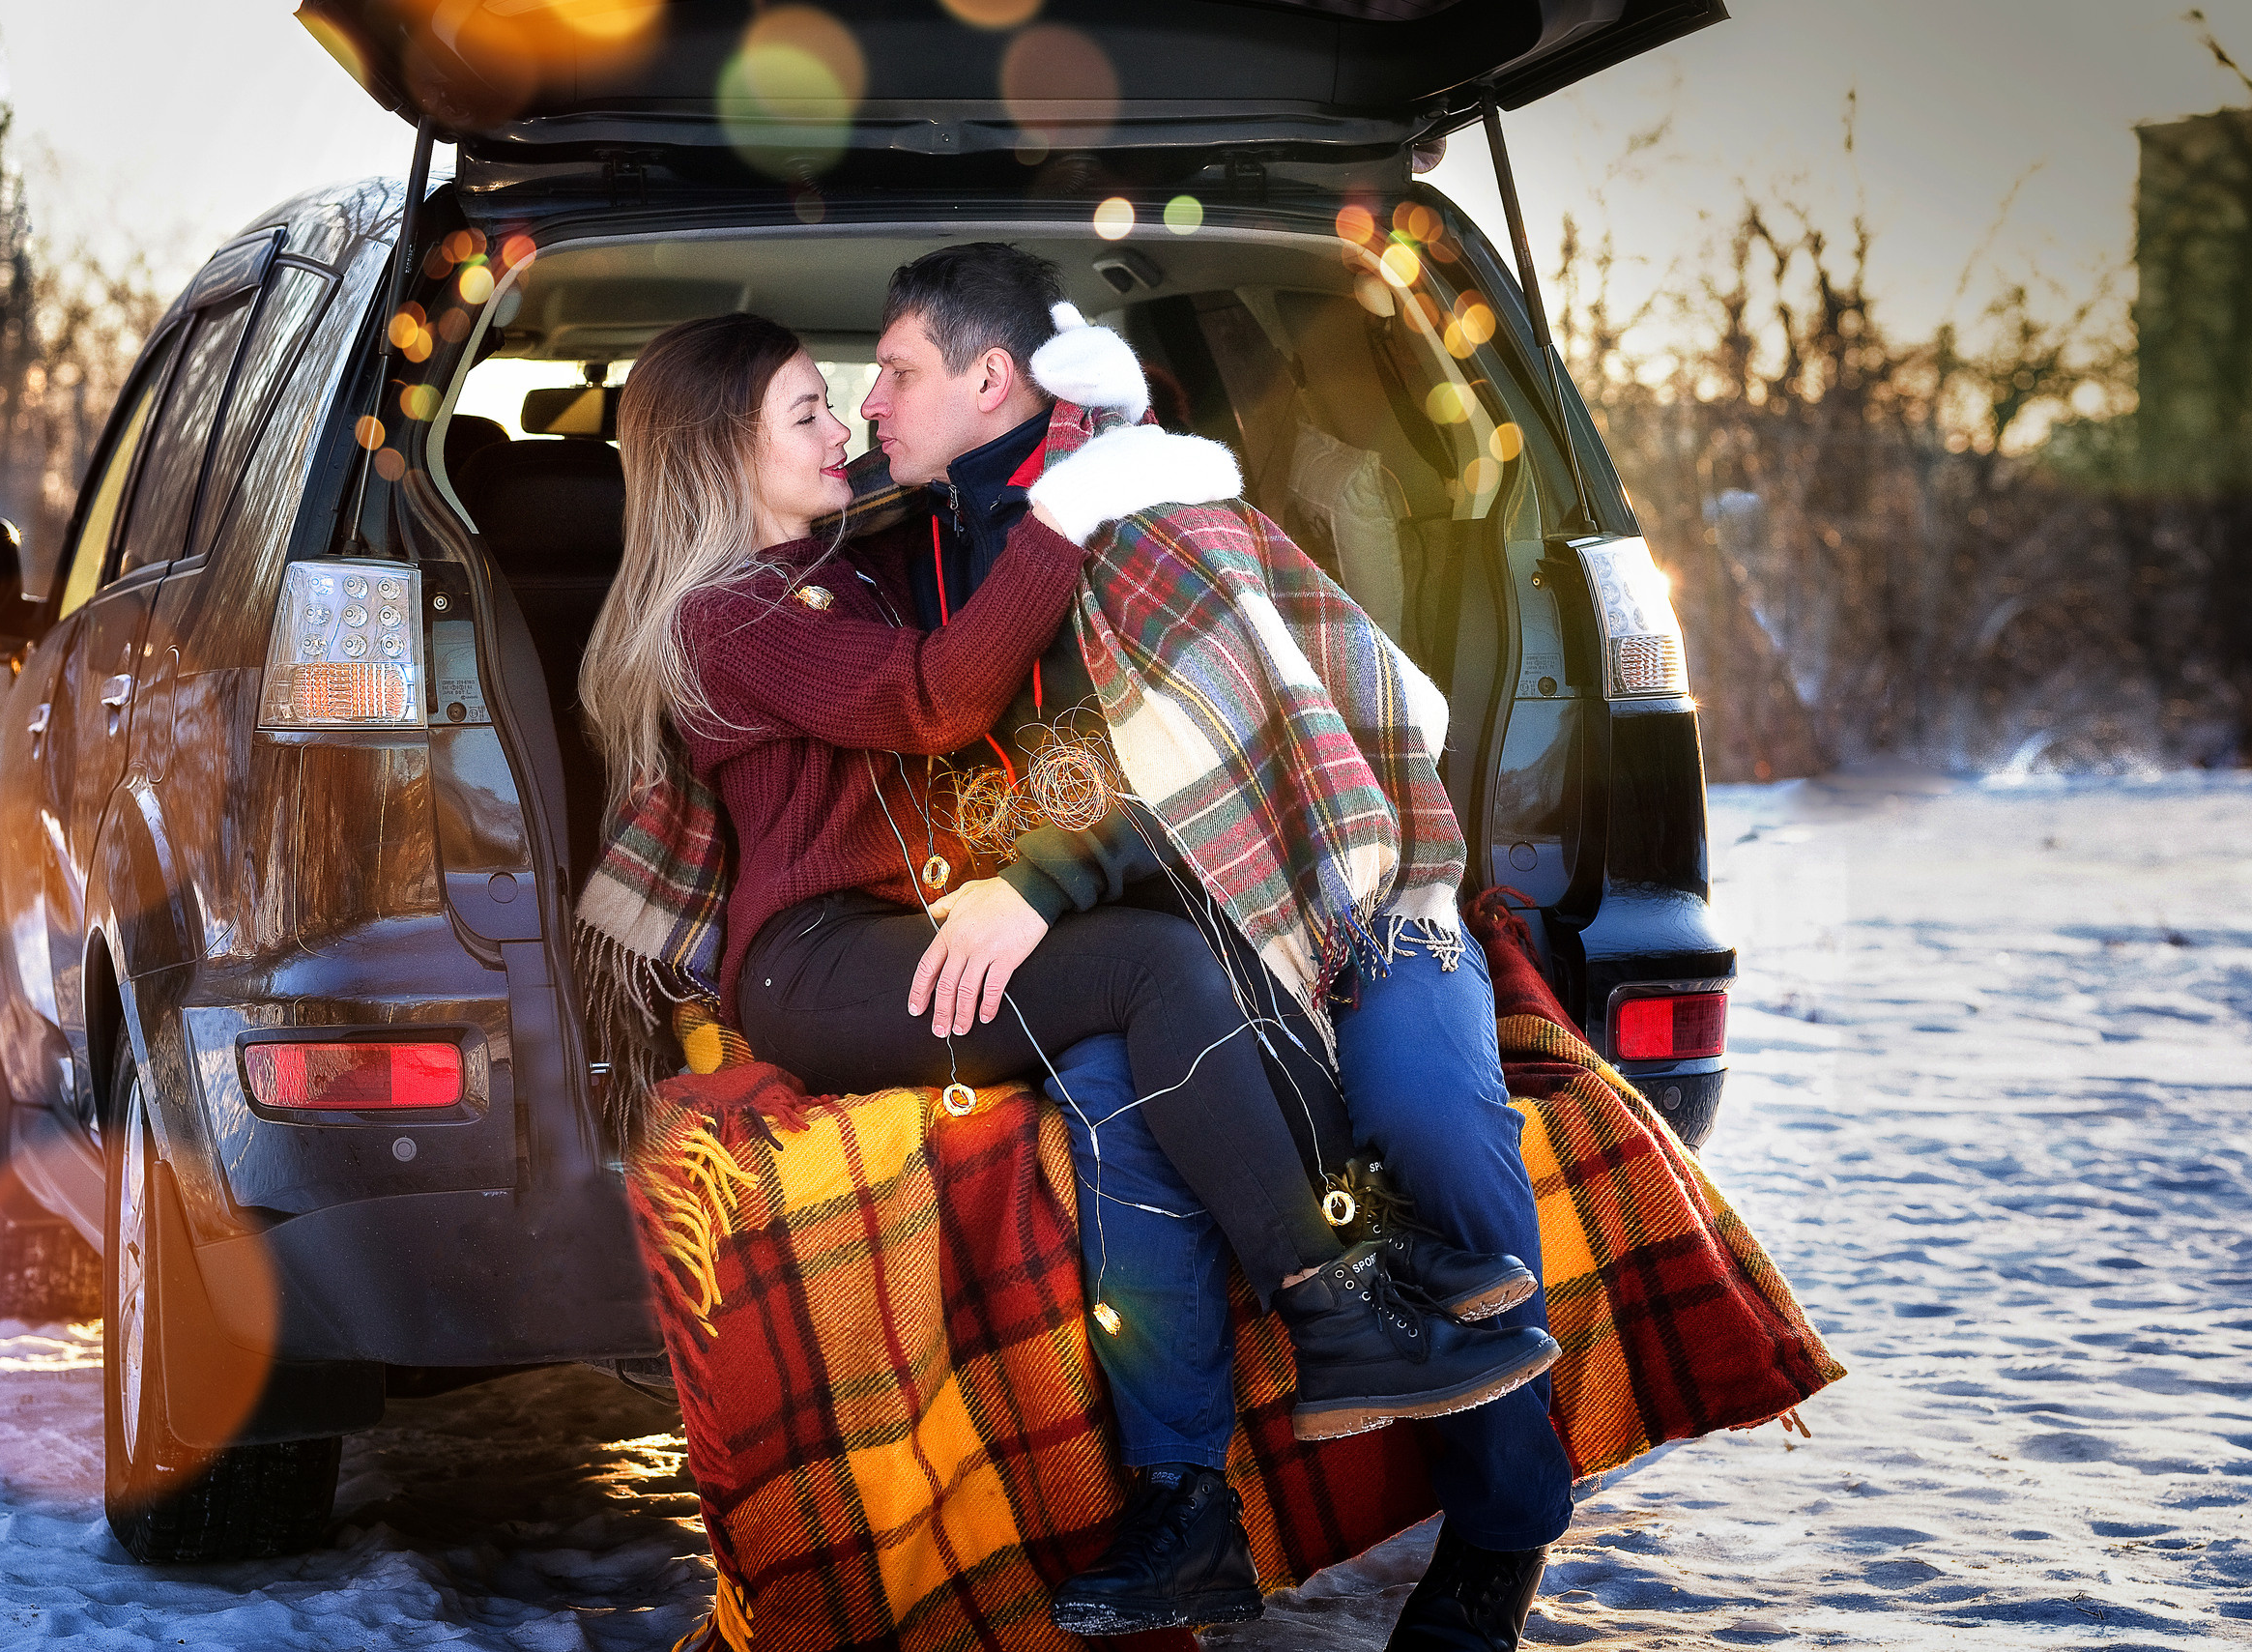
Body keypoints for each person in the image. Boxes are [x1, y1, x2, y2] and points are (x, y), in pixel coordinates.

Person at [575, 308, 1556, 1643]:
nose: (847, 422)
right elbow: (933, 699)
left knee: (1159, 982)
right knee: (1151, 967)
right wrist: (1064, 516)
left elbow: (1006, 487)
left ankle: (1275, 1399)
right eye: (809, 410)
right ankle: (1338, 1298)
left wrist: (1105, 440)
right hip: (818, 963)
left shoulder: (859, 565)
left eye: (858, 390)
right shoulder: (725, 617)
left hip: (902, 933)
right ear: (718, 455)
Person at [847, 245, 1574, 1652]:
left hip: (1344, 891)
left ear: (991, 378)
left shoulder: (1158, 506)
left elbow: (1232, 746)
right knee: (1114, 1100)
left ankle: (1502, 1527)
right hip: (1165, 937)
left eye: (895, 369)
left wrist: (1036, 888)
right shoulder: (945, 544)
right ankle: (1186, 1511)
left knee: (1423, 1110)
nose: (870, 397)